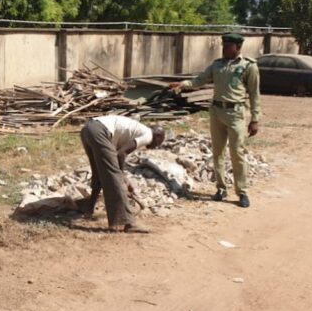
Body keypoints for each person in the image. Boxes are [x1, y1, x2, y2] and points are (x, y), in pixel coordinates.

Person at [169, 32, 261, 208]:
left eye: (228, 46)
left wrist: (255, 118)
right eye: (223, 45)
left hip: (235, 113)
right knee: (217, 152)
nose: (224, 48)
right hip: (216, 112)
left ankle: (242, 192)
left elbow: (255, 94)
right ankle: (220, 188)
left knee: (237, 153)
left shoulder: (248, 66)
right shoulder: (217, 65)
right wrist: (183, 84)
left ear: (238, 47)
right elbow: (200, 80)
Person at [80, 115, 166, 233]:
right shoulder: (148, 135)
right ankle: (129, 223)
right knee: (113, 177)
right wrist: (121, 177)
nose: (156, 146)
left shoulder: (134, 130)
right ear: (157, 136)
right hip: (100, 131)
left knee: (99, 173)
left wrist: (122, 175)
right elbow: (121, 154)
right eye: (159, 142)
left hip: (88, 129)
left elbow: (117, 153)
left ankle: (88, 212)